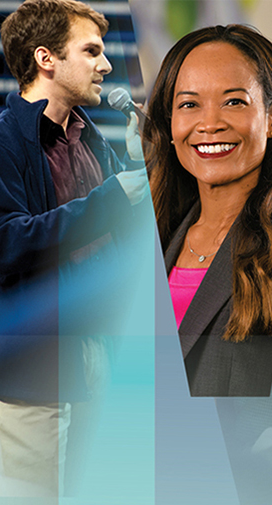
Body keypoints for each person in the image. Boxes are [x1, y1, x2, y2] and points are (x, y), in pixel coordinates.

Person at [0, 0, 149, 494]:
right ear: (46, 59)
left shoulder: (89, 140)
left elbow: (121, 237)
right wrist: (113, 198)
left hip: (99, 353)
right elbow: (6, 245)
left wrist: (137, 164)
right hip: (36, 367)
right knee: (35, 504)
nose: (106, 65)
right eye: (91, 51)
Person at [144, 24, 272, 396]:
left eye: (234, 101)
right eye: (189, 104)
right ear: (169, 124)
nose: (210, 124)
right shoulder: (156, 233)